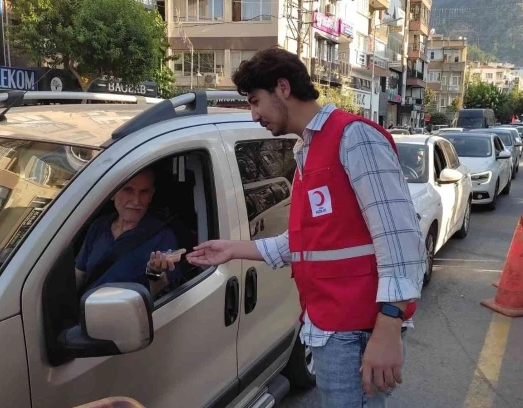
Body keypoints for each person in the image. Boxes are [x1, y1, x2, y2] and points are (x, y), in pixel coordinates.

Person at [186, 47, 426, 407]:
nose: (254, 116)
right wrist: (233, 249)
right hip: (329, 327)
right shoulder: (306, 150)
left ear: (282, 87)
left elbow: (402, 241)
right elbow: (304, 243)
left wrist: (389, 329)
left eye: (255, 102)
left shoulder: (353, 137)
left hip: (357, 332)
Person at [75, 167, 183, 297]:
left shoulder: (163, 236)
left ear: (151, 195)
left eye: (144, 192)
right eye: (128, 190)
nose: (136, 201)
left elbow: (165, 299)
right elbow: (79, 275)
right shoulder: (98, 226)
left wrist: (155, 273)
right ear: (112, 192)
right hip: (87, 311)